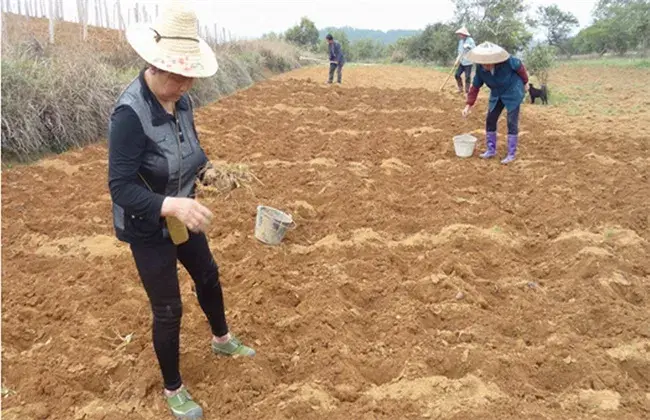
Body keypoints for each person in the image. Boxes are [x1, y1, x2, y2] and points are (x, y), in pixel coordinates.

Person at [107, 2, 255, 418]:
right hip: (146, 223)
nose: (189, 84)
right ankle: (173, 388)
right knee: (168, 308)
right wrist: (171, 203)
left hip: (182, 213)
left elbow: (191, 151)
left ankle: (221, 339)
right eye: (183, 76)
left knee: (208, 274)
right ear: (159, 67)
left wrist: (210, 173)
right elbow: (119, 187)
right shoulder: (129, 115)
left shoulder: (182, 102)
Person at [462, 41, 529, 164]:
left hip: (513, 91)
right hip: (496, 93)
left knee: (511, 121)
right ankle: (491, 150)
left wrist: (525, 82)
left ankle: (511, 153)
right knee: (490, 119)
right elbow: (475, 87)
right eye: (483, 63)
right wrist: (468, 105)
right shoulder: (480, 69)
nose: (486, 66)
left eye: (488, 63)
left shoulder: (509, 61)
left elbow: (520, 67)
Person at [454, 26, 476, 94]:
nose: (459, 35)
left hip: (468, 62)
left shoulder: (470, 40)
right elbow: (460, 52)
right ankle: (460, 88)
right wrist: (457, 60)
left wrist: (468, 46)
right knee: (457, 75)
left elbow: (474, 49)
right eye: (459, 34)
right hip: (462, 61)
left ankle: (467, 91)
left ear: (464, 34)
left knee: (467, 77)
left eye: (460, 34)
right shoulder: (460, 42)